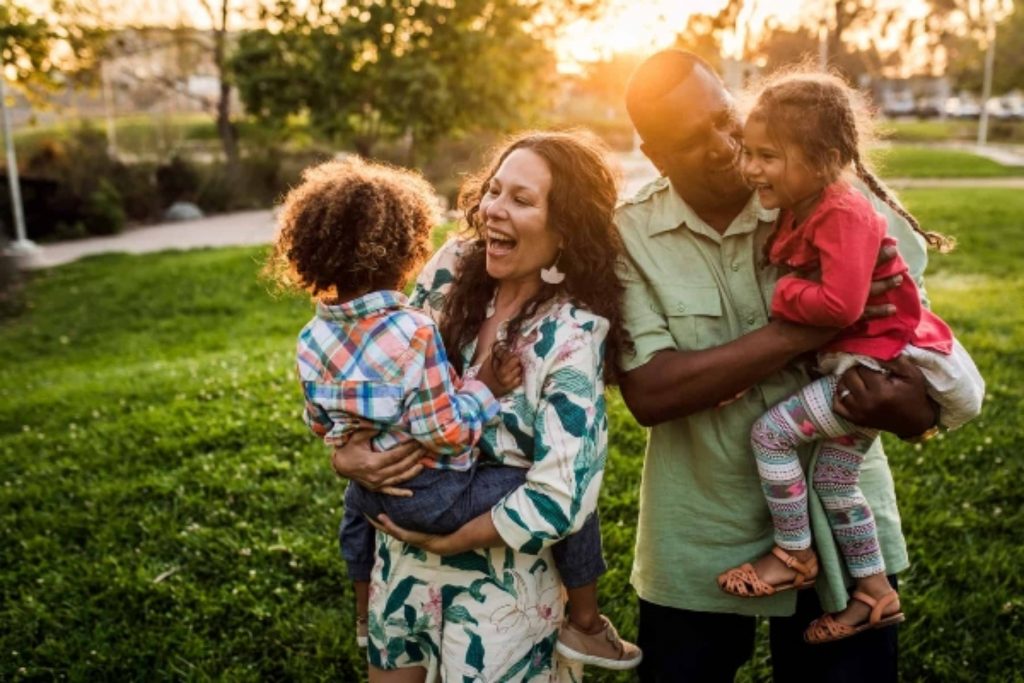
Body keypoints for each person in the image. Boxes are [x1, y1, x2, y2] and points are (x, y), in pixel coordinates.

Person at [616, 50, 943, 681]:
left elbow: (914, 361)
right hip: (697, 528)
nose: (725, 145)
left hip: (844, 523)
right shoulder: (629, 234)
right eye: (693, 140)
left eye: (725, 118)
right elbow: (653, 393)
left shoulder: (841, 203)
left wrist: (919, 414)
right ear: (655, 155)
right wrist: (807, 327)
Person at [267, 154, 640, 674]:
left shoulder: (572, 334)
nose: (493, 210)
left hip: (498, 593)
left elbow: (561, 496)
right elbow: (380, 366)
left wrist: (452, 539)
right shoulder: (452, 268)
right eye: (493, 190)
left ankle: (582, 623)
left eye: (521, 199)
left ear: (565, 229)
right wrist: (347, 458)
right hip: (400, 565)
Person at [714, 71, 984, 644]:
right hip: (863, 362)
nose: (752, 168)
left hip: (875, 368)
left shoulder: (841, 212)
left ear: (825, 158)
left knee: (771, 436)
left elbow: (837, 307)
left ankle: (792, 553)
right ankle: (876, 593)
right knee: (836, 484)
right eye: (749, 152)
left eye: (768, 156)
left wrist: (784, 293)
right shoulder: (807, 202)